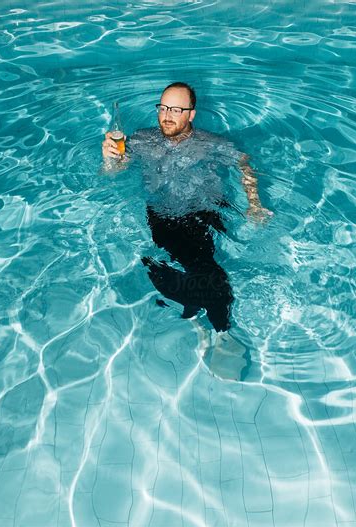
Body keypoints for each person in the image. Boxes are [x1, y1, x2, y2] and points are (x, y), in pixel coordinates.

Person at [101, 82, 271, 380]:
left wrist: (254, 205)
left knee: (200, 266)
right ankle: (207, 322)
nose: (167, 115)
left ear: (191, 114)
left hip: (204, 213)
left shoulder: (210, 143)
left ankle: (210, 325)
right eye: (163, 108)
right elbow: (114, 171)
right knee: (183, 265)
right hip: (163, 216)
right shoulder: (142, 140)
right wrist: (109, 160)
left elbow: (245, 164)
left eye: (176, 110)